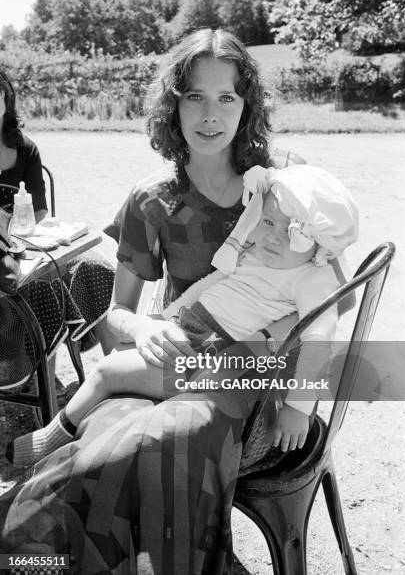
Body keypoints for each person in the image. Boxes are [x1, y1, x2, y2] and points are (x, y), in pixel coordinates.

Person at [0, 29, 352, 574]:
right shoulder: (152, 200)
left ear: (247, 105)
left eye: (226, 97)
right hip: (176, 358)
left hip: (250, 387)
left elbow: (335, 301)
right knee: (102, 453)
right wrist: (143, 331)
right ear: (174, 104)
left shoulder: (284, 185)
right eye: (195, 96)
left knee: (172, 439)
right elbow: (114, 317)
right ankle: (36, 557)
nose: (210, 115)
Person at [7, 164, 358, 466]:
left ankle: (53, 436)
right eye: (267, 221)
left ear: (318, 241)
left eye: (289, 231)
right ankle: (80, 433)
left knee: (107, 372)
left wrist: (299, 406)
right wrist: (170, 316)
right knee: (124, 360)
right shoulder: (260, 254)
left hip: (214, 355)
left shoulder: (313, 278)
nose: (271, 237)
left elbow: (318, 345)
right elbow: (210, 285)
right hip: (192, 331)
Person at [0, 68, 116, 381]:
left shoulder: (25, 148)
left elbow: (40, 211)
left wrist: (18, 233)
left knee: (95, 265)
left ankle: (118, 377)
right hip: (5, 261)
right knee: (40, 289)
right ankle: (42, 390)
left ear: (7, 100)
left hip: (27, 244)